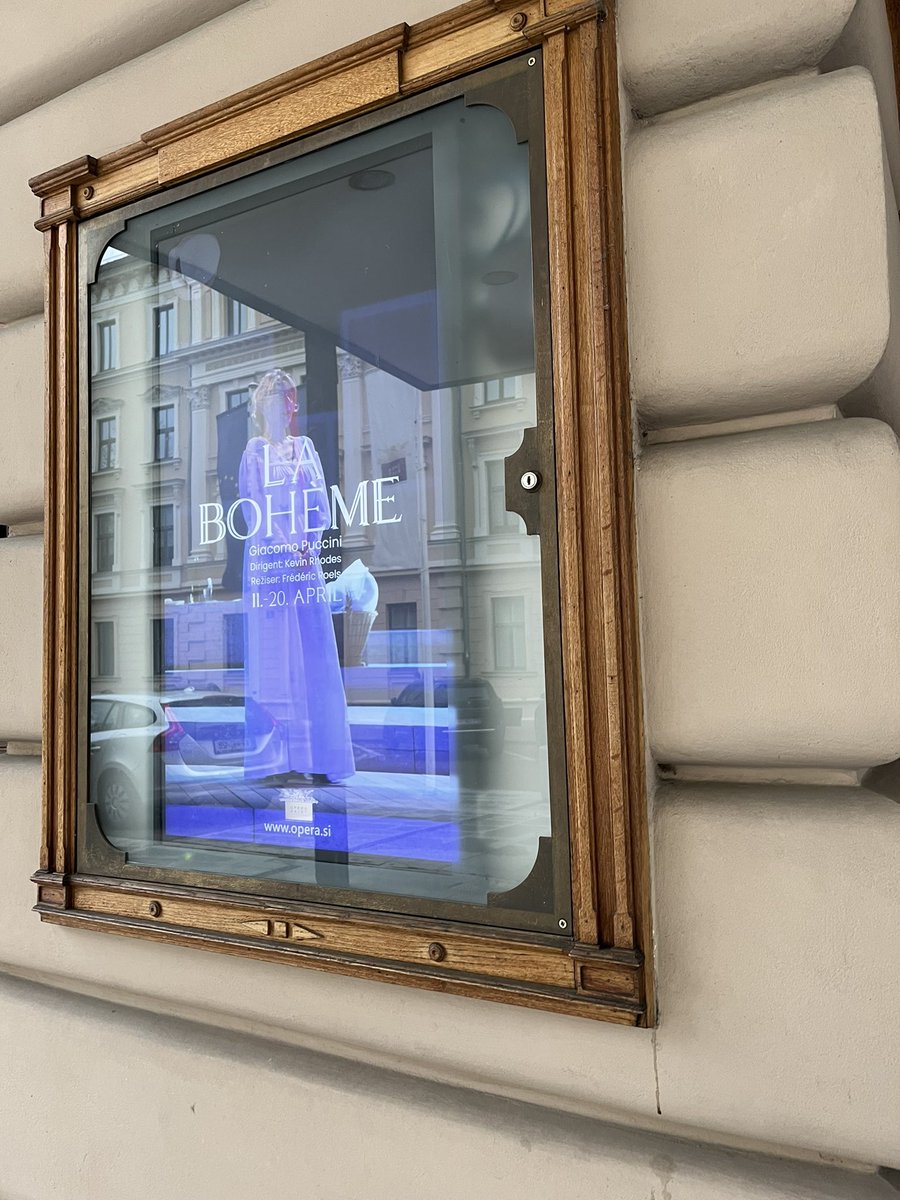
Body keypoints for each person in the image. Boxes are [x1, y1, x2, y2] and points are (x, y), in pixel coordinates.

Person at [239, 368, 354, 784]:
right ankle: (276, 761)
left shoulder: (306, 449)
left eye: (288, 397)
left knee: (314, 655)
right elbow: (255, 513)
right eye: (274, 397)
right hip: (272, 567)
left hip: (305, 566)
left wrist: (307, 545)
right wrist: (288, 549)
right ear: (262, 406)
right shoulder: (255, 452)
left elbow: (320, 508)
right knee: (276, 660)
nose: (284, 404)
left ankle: (320, 757)